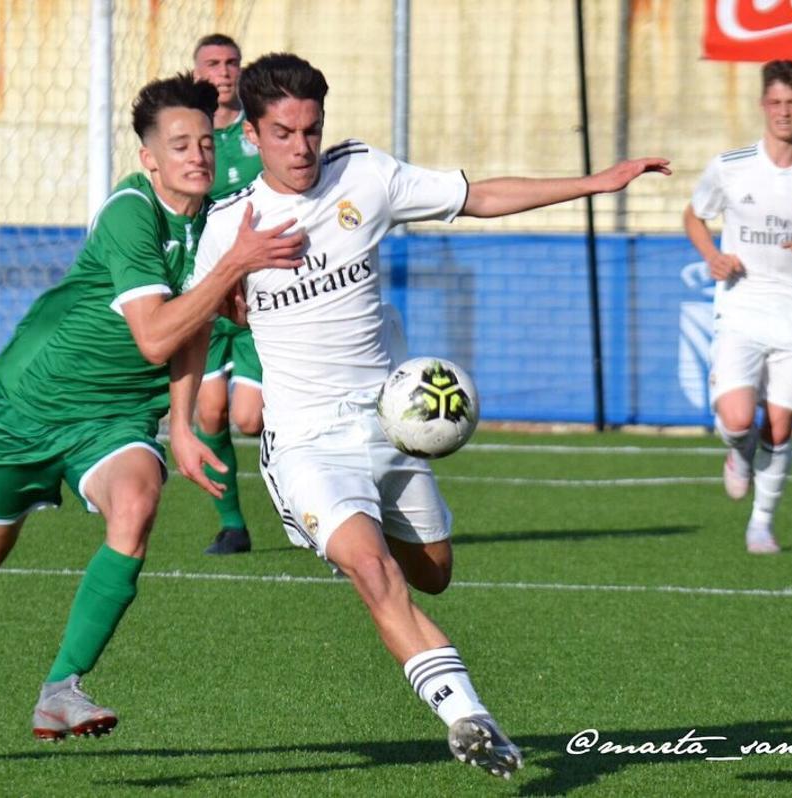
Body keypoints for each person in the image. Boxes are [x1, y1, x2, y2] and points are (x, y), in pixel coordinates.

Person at [186, 52, 670, 779]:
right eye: (284, 133)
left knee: (433, 574)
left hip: (389, 424)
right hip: (308, 443)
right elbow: (189, 326)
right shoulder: (232, 225)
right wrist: (183, 420)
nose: (302, 148)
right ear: (251, 135)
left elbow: (478, 195)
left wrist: (592, 185)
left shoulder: (366, 176)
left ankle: (395, 563)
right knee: (375, 572)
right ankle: (468, 717)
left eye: (312, 130)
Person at [0, 72, 303, 756]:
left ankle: (61, 688)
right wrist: (231, 276)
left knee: (137, 503)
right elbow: (156, 335)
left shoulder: (222, 220)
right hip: (26, 411)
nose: (197, 155)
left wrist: (185, 428)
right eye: (179, 144)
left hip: (113, 420)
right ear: (150, 158)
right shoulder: (131, 212)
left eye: (204, 142)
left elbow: (191, 332)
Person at [684, 59, 792, 555]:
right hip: (743, 306)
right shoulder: (731, 165)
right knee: (739, 419)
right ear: (764, 105)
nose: (785, 112)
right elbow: (694, 215)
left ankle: (761, 524)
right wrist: (713, 256)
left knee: (779, 425)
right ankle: (739, 454)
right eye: (776, 102)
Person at [191, 33, 266, 554]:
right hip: (207, 297)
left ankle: (315, 498)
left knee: (249, 418)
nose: (223, 71)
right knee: (211, 415)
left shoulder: (260, 131)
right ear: (196, 73)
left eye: (231, 62)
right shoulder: (190, 139)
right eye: (213, 63)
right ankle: (234, 525)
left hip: (260, 295)